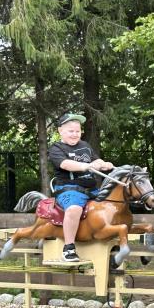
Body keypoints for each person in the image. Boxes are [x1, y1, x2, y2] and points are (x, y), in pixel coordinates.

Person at [48, 112, 115, 262]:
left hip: (92, 190)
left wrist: (104, 164)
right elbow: (65, 164)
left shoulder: (85, 145)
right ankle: (69, 248)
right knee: (74, 209)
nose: (75, 134)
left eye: (77, 131)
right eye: (71, 131)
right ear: (60, 131)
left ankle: (109, 238)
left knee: (112, 205)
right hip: (69, 188)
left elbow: (96, 160)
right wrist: (86, 166)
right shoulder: (56, 148)